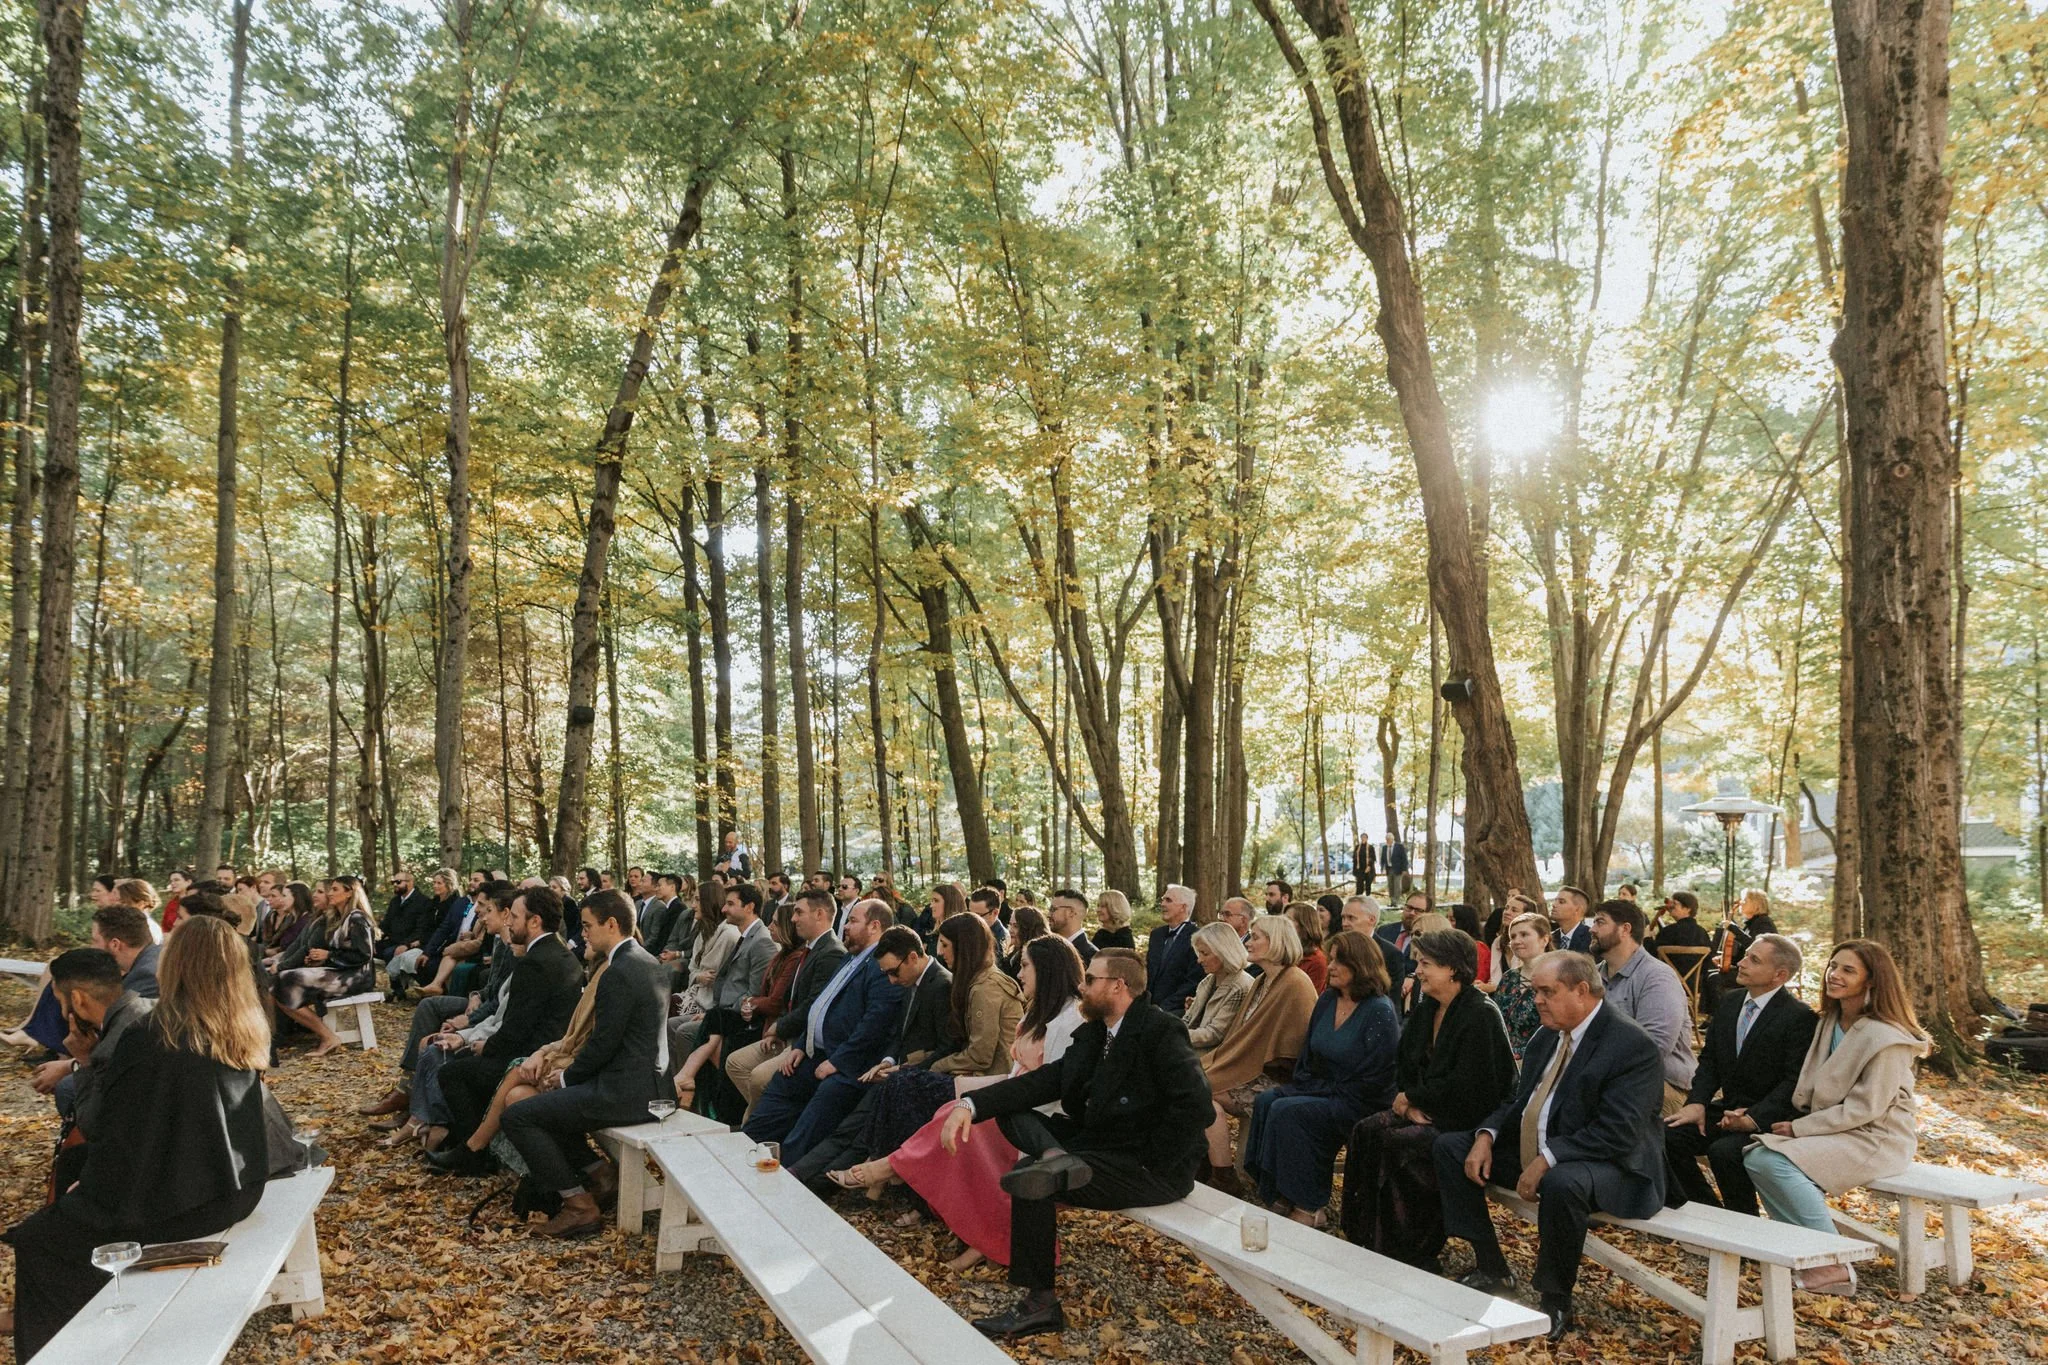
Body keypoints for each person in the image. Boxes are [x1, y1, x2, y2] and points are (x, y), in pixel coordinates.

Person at [3, 916, 271, 1361]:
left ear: (175, 965)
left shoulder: (156, 1033)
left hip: (193, 1200)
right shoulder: (240, 1023)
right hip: (239, 1184)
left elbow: (127, 1139)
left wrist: (91, 1193)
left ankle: (60, 1349)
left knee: (40, 1239)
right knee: (72, 1172)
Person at [938, 948, 1211, 1339]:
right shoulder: (1098, 1031)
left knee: (1030, 1179)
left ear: (1118, 986)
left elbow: (1197, 1106)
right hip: (1099, 1147)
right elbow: (1048, 1080)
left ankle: (1040, 1305)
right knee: (1013, 1112)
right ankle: (1055, 1157)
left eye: (1091, 979)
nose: (1081, 987)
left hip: (1150, 1165)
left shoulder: (1159, 1030)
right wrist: (969, 1104)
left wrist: (1153, 1159)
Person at [1433, 951, 1667, 1343]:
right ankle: (1492, 1266)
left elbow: (1618, 1131)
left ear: (1581, 990)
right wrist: (1486, 1136)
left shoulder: (1630, 1045)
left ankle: (1556, 1298)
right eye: (1534, 991)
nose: (1537, 1000)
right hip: (1539, 1148)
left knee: (1563, 1182)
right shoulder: (1547, 1034)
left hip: (1615, 1164)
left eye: (1546, 991)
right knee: (1450, 1147)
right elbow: (1517, 1100)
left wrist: (1547, 1158)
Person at [848, 936, 1086, 1272]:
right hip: (1017, 1101)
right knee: (948, 1108)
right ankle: (969, 1225)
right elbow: (1019, 1076)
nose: (1019, 973)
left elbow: (1054, 1089)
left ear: (1047, 970)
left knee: (966, 1125)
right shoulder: (1043, 1010)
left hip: (1045, 1122)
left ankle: (890, 1167)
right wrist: (967, 1091)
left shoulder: (1070, 1020)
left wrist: (981, 1100)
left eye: (1026, 966)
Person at [1742, 939, 1928, 1294]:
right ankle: (1811, 1250)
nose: (1835, 975)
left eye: (1848, 970)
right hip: (1835, 1129)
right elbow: (1807, 1084)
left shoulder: (1888, 1037)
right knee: (1757, 1156)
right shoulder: (1828, 1021)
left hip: (1877, 1137)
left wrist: (1800, 1129)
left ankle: (1831, 1263)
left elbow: (1866, 1108)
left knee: (1773, 1161)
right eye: (1832, 966)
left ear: (1871, 981)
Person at [1340, 927, 1516, 1269]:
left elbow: (1472, 1084)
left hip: (1468, 1117)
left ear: (1452, 968)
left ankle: (1412, 1248)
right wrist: (1409, 1099)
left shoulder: (1480, 1013)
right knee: (1366, 1130)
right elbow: (1404, 1061)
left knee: (1399, 1142)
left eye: (1426, 963)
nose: (1417, 970)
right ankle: (1365, 1234)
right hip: (1427, 1106)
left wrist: (1414, 1099)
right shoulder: (1428, 1008)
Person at [500, 890, 669, 1238]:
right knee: (546, 1109)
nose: (584, 933)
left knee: (519, 1115)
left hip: (627, 1093)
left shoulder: (618, 971)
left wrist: (564, 1079)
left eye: (589, 925)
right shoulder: (648, 961)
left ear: (612, 924)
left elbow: (603, 1044)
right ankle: (599, 1174)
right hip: (650, 1086)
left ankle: (579, 1206)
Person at [1243, 930, 1399, 1226]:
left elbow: (1378, 1076)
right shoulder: (1328, 999)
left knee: (1291, 1112)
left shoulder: (1379, 1011)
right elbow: (1308, 1057)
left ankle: (1309, 1205)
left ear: (1361, 965)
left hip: (1360, 1100)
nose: (1331, 966)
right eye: (1331, 959)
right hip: (1321, 1087)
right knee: (1267, 1100)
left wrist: (1323, 1092)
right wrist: (1310, 1086)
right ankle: (1279, 1193)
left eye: (1341, 961)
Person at [426, 887, 587, 1168]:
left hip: (531, 1058)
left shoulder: (534, 963)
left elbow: (516, 1029)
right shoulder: (562, 954)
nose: (509, 922)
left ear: (534, 921)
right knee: (465, 1060)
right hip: (542, 1049)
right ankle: (466, 1141)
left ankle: (475, 1157)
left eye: (514, 916)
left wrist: (486, 1046)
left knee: (453, 1072)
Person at [742, 900, 906, 1162]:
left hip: (851, 1064)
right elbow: (821, 1006)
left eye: (852, 921)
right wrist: (800, 1046)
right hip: (815, 1053)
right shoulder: (850, 958)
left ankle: (786, 1172)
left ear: (875, 926)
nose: (845, 927)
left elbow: (876, 1024)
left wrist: (838, 1062)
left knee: (823, 1103)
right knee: (781, 1085)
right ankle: (745, 1151)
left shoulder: (881, 965)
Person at [1664, 933, 1816, 1215]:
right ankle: (1710, 1215)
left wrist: (1753, 1118)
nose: (1741, 962)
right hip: (1726, 1109)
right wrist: (1697, 1102)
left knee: (1725, 1152)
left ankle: (1745, 1226)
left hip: (1771, 1119)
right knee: (1666, 1136)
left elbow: (1794, 1082)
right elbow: (1710, 1060)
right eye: (1746, 955)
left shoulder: (1799, 1017)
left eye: (1753, 960)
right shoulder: (1731, 1002)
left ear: (1779, 975)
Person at [1197, 914, 1319, 1193]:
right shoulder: (1262, 981)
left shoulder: (1295, 983)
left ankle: (1223, 1176)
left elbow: (1293, 1048)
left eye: (1256, 937)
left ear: (1276, 942)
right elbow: (1241, 1038)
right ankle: (1212, 1169)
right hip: (1250, 1070)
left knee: (1202, 1093)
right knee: (1193, 1086)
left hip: (1278, 1078)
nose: (1248, 942)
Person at [724, 890, 853, 1118]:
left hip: (805, 1041)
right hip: (787, 1034)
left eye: (798, 912)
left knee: (759, 1078)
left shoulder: (831, 953)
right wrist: (778, 1030)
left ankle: (760, 1126)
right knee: (736, 1063)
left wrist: (780, 1027)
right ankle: (771, 1116)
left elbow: (814, 1005)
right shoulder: (809, 949)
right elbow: (789, 999)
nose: (793, 919)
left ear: (820, 914)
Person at [671, 900, 806, 1115]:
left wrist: (750, 1003)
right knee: (713, 1028)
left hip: (765, 1023)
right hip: (750, 1014)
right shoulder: (781, 955)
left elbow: (774, 1001)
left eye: (775, 924)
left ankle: (700, 1091)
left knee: (711, 1031)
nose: (770, 927)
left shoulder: (784, 954)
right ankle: (705, 1097)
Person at [1587, 898, 1697, 1112]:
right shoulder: (1593, 977)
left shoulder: (1656, 977)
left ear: (1625, 929)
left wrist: (1593, 1069)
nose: (1592, 929)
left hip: (1663, 1084)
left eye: (1600, 922)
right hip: (1605, 1076)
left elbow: (1653, 1048)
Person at [273, 875, 379, 1055]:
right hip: (342, 971)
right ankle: (322, 1034)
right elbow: (339, 953)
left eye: (335, 889)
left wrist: (329, 955)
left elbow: (363, 955)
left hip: (358, 977)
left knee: (287, 980)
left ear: (349, 893)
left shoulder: (357, 918)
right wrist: (320, 959)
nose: (330, 893)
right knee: (278, 984)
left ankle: (328, 1037)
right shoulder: (341, 918)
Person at [1181, 922, 1254, 1052]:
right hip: (1192, 1050)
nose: (1199, 960)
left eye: (1205, 953)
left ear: (1224, 952)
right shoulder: (1208, 981)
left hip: (1213, 1057)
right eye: (1199, 953)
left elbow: (1215, 1034)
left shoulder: (1240, 986)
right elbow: (1188, 1020)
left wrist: (1173, 1035)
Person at [1490, 911, 1551, 1060]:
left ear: (1544, 939)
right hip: (1504, 1060)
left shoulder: (1557, 977)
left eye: (1524, 934)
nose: (1516, 941)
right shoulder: (1509, 978)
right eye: (1513, 937)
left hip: (1541, 1059)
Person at [1707, 890, 1780, 1006]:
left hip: (1761, 973)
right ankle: (1713, 1017)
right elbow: (1744, 952)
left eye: (1745, 900)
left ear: (1756, 904)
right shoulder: (1750, 924)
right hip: (1751, 969)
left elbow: (1755, 947)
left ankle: (1719, 1017)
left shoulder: (1764, 923)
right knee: (1711, 975)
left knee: (1715, 979)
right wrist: (1726, 960)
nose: (1741, 903)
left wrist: (1734, 929)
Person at [1145, 884, 1203, 1015]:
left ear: (1183, 907)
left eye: (1168, 900)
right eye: (1163, 900)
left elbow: (1193, 981)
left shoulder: (1197, 937)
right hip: (1149, 1007)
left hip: (1176, 1010)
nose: (1162, 904)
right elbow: (1150, 973)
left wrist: (1164, 1008)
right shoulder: (1156, 935)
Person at [1341, 894, 1408, 1007]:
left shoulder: (1390, 954)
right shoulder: (1339, 949)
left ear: (1371, 920)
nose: (1344, 923)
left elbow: (1390, 999)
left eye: (1351, 918)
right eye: (1343, 918)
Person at [378, 870, 435, 973]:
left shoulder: (423, 902)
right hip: (393, 940)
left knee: (388, 953)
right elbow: (386, 924)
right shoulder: (395, 901)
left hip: (411, 943)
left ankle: (398, 987)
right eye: (393, 882)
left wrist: (406, 944)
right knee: (368, 948)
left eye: (398, 882)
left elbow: (422, 929)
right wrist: (376, 936)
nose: (395, 885)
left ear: (410, 882)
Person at [1045, 888, 1096, 968]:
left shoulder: (1092, 956)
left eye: (1053, 909)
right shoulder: (1047, 948)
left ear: (1071, 912)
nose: (1048, 915)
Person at [1288, 900, 1329, 992]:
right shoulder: (1285, 954)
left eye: (1289, 920)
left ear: (1304, 925)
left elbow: (1310, 998)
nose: (1284, 924)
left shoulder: (1316, 961)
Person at [1550, 886, 1592, 955]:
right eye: (1555, 901)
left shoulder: (1591, 938)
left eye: (1561, 902)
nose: (1554, 905)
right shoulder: (1550, 938)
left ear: (1577, 909)